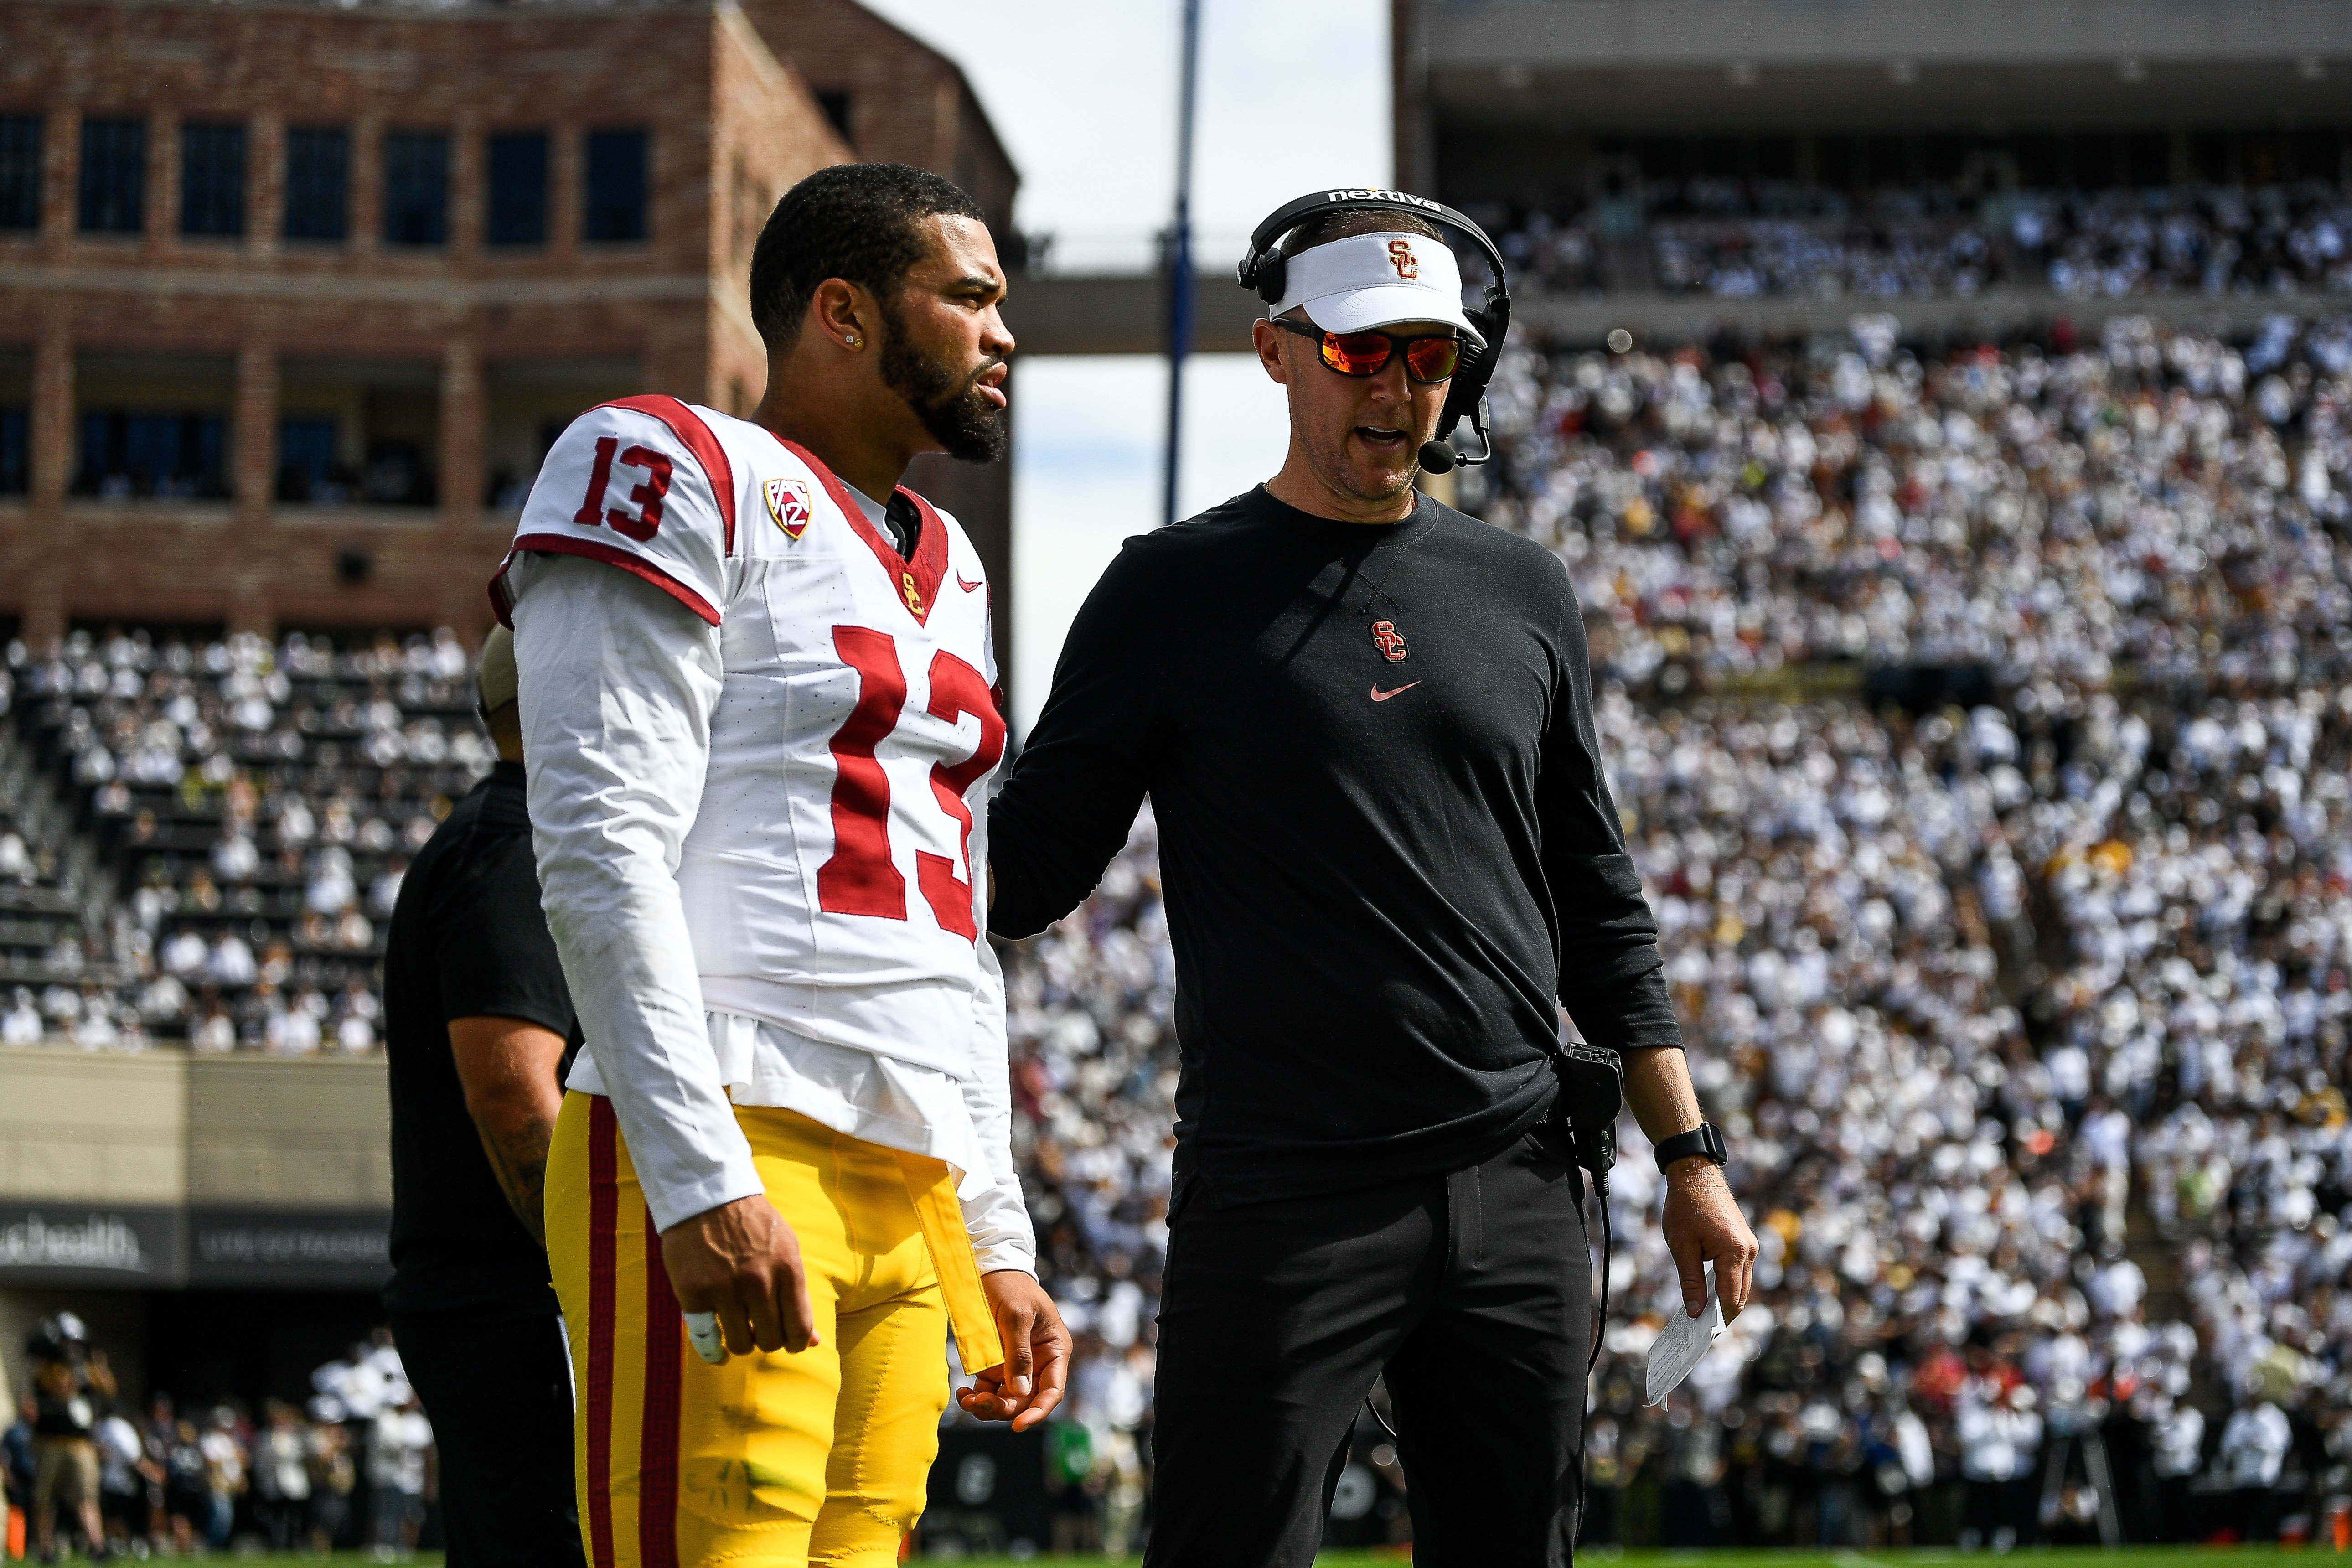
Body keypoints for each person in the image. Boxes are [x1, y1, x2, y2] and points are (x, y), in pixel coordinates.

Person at [986, 190, 1759, 1567]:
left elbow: (1597, 891)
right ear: (1276, 350)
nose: (1399, 387)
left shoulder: (1523, 586)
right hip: (1286, 1187)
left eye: (1429, 355)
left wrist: (1689, 1158)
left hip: (1524, 1174)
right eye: (1362, 351)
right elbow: (1027, 867)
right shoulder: (1167, 590)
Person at [495, 160, 1066, 1567]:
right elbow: (599, 843)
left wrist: (996, 1227)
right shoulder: (671, 460)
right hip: (732, 1115)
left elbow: (958, 926)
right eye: (971, 296)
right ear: (844, 312)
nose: (1005, 334)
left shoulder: (959, 566)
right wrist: (697, 1180)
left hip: (912, 1160)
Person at [379, 625, 585, 1568]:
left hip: (498, 1299)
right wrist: (596, 1274)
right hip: (520, 1301)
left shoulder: (511, 833)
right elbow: (512, 1093)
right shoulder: (514, 844)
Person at [27, 1315, 115, 1563]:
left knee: (87, 1496)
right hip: (50, 1441)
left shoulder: (86, 1367)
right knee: (44, 1497)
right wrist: (76, 1373)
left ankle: (97, 1546)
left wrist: (100, 1365)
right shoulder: (48, 1367)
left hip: (80, 1444)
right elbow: (59, 1389)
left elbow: (109, 1389)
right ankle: (45, 1549)